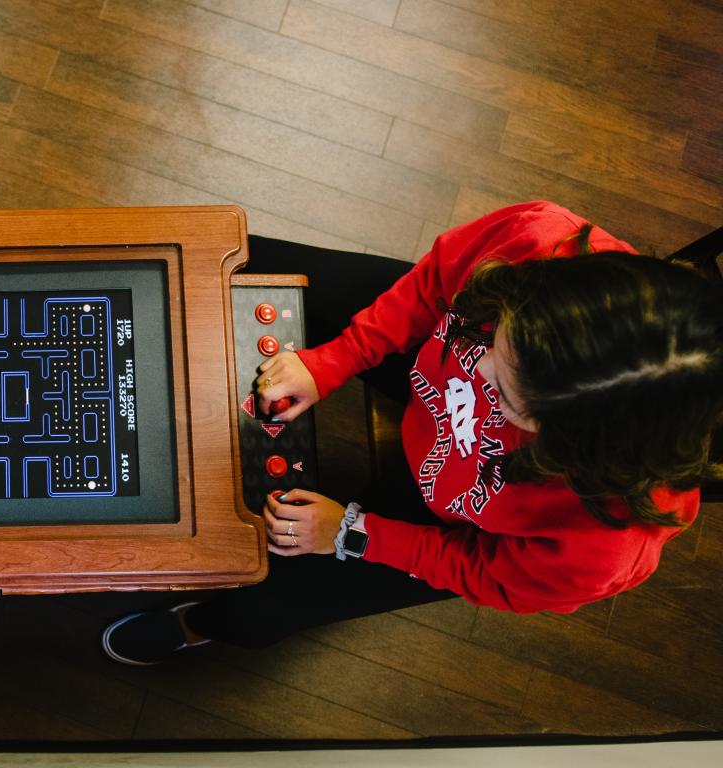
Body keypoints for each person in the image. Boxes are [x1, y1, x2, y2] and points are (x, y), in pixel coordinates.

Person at [101, 201, 722, 663]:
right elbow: (433, 284)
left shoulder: (606, 543)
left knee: (262, 604)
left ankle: (204, 624)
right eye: (495, 339)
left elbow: (485, 572)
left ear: (579, 449)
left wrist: (353, 531)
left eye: (504, 397)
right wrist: (335, 358)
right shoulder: (540, 240)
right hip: (438, 393)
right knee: (245, 261)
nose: (476, 372)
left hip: (451, 513)